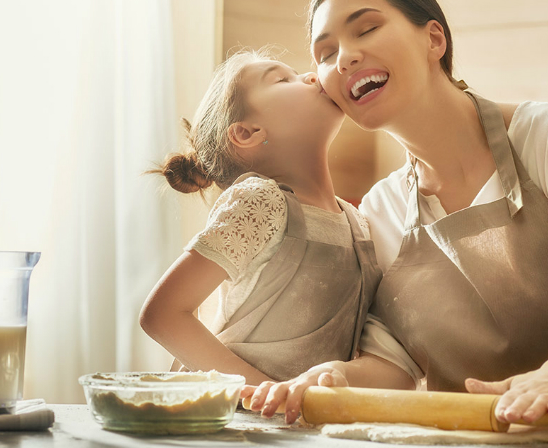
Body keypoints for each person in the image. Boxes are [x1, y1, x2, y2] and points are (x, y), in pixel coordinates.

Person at [245, 0, 548, 425]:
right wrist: (334, 376)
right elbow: (395, 364)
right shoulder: (382, 208)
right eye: (325, 54)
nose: (344, 58)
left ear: (434, 40)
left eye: (366, 29)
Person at [139, 48, 382, 386]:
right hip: (238, 414)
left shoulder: (359, 223)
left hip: (311, 415)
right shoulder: (261, 200)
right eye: (283, 79)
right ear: (247, 133)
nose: (311, 75)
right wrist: (263, 394)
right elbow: (162, 315)